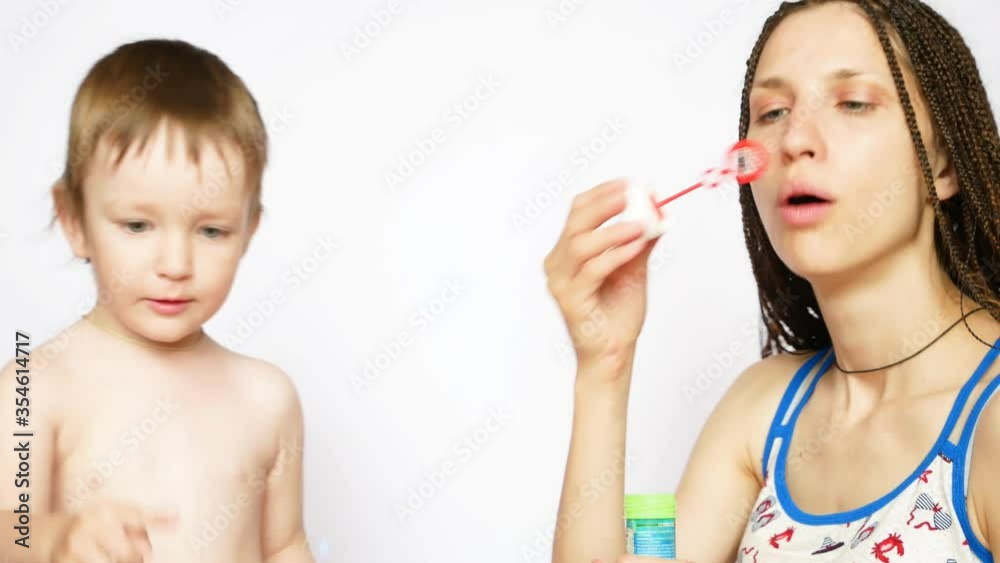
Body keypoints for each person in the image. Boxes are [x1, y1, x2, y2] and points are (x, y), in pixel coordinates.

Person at [546, 0, 1000, 561]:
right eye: (773, 112)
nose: (793, 142)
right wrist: (603, 365)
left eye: (853, 102)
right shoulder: (765, 409)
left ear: (945, 164)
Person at [0, 39, 313, 562]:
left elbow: (284, 545)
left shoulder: (267, 398)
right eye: (138, 225)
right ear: (74, 220)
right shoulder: (35, 386)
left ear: (249, 231)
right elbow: (9, 530)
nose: (175, 263)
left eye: (211, 230)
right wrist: (58, 538)